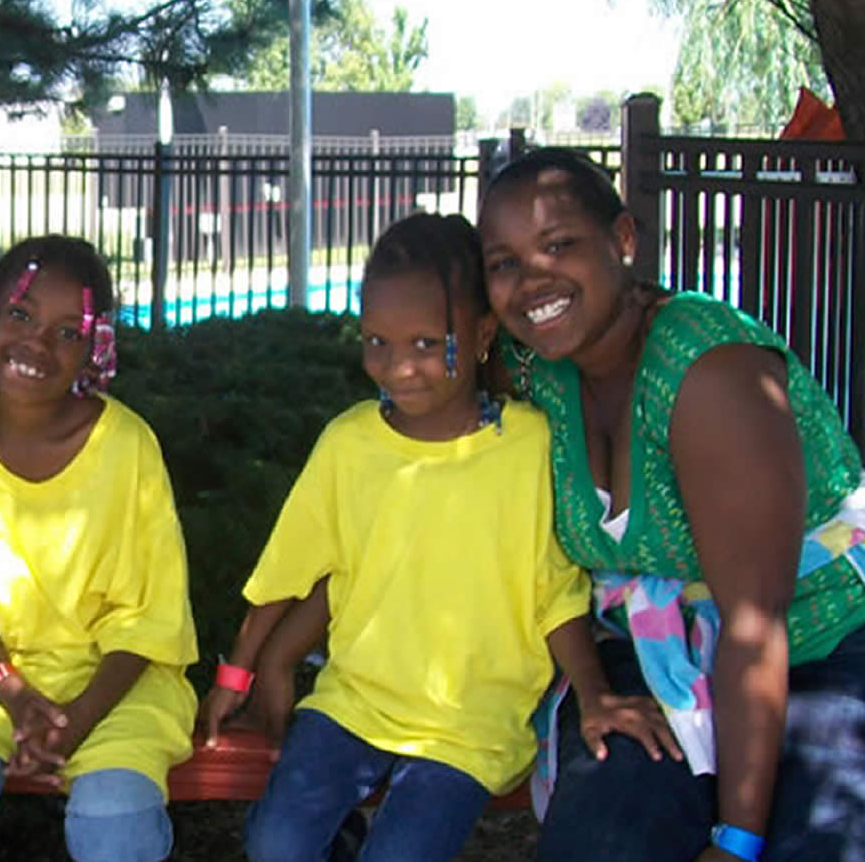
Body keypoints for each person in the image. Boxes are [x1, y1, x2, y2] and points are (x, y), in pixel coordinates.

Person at [195, 213, 671, 862]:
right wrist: (240, 673)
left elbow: (554, 595)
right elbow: (287, 572)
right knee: (275, 844)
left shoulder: (528, 446)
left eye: (425, 343)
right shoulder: (349, 443)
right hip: (355, 702)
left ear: (482, 335)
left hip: (470, 726)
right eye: (377, 342)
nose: (398, 367)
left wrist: (594, 696)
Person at [479, 148, 865, 862]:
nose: (532, 281)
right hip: (659, 652)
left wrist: (737, 840)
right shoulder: (532, 364)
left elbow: (755, 623)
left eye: (558, 245)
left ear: (623, 239)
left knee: (814, 844)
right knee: (601, 844)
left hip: (820, 641)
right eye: (504, 263)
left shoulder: (711, 373)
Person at [0, 236, 197, 862]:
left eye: (68, 332)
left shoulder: (128, 446)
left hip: (117, 684)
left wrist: (76, 721)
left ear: (94, 349)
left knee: (112, 829)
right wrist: (16, 697)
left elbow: (149, 618)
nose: (37, 344)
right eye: (20, 314)